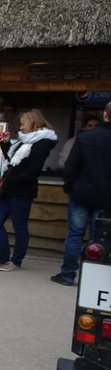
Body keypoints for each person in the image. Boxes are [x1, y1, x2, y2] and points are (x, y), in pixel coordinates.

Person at [0, 109, 58, 272]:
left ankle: (16, 261)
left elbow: (32, 172)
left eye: (23, 124)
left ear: (33, 123)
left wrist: (10, 181)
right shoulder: (25, 141)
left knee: (19, 227)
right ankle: (2, 257)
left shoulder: (41, 144)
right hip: (9, 189)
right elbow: (13, 162)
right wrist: (6, 145)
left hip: (22, 192)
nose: (21, 127)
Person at [53, 103, 111, 286]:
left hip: (81, 193)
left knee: (75, 235)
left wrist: (69, 187)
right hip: (106, 199)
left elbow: (71, 166)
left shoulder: (86, 138)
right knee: (99, 239)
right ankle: (92, 280)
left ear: (105, 115)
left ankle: (68, 274)